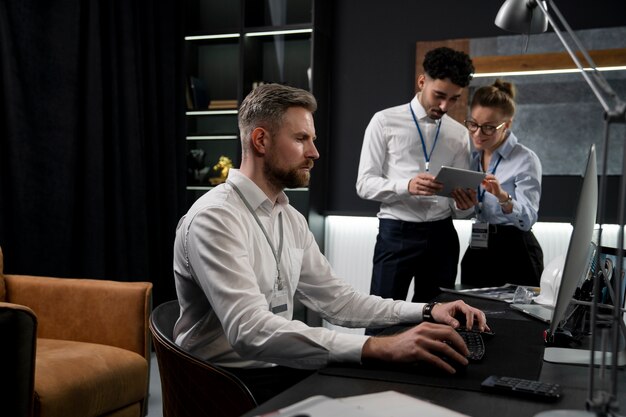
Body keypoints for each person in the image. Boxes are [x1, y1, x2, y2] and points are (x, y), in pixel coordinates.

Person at [173, 83, 489, 404]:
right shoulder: (215, 218)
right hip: (222, 382)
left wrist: (426, 310)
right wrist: (377, 346)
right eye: (301, 139)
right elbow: (251, 331)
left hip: (276, 366)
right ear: (260, 140)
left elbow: (339, 301)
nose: (314, 153)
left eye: (313, 140)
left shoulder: (289, 217)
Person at [356, 47, 475, 313]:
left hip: (442, 236)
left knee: (439, 320)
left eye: (453, 99)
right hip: (397, 233)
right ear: (422, 82)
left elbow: (461, 208)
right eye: (439, 96)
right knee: (382, 315)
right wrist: (406, 186)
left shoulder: (458, 134)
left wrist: (466, 205)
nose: (445, 107)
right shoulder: (384, 121)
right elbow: (364, 184)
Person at [453, 79, 543, 288]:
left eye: (488, 128)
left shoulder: (525, 159)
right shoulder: (472, 158)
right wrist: (464, 205)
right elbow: (470, 210)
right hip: (478, 246)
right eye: (473, 124)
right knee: (472, 316)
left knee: (516, 320)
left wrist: (503, 197)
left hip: (516, 250)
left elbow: (528, 218)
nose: (477, 133)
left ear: (507, 124)